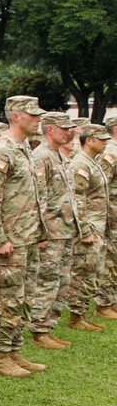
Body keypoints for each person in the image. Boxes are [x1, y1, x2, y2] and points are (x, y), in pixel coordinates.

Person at [0, 96, 47, 378]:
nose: (38, 119)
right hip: (10, 241)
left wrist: (40, 232)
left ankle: (13, 349)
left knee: (24, 297)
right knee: (7, 299)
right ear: (16, 116)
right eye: (33, 115)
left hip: (27, 237)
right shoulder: (1, 152)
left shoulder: (24, 150)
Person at [27, 112, 80, 348]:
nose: (68, 132)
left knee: (61, 281)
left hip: (65, 229)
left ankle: (49, 326)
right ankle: (39, 329)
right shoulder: (41, 157)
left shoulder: (58, 155)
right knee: (47, 281)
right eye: (63, 128)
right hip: (52, 231)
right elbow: (39, 197)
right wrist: (42, 232)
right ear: (49, 129)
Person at [66, 124, 110, 330]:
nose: (105, 142)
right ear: (89, 140)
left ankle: (81, 314)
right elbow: (77, 199)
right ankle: (75, 316)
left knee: (93, 271)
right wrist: (84, 230)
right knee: (84, 271)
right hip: (89, 228)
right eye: (101, 139)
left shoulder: (92, 162)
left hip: (97, 226)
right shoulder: (81, 165)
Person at [94, 116, 117, 320]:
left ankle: (112, 299)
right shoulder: (109, 154)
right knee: (110, 258)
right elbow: (103, 186)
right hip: (112, 215)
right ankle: (103, 302)